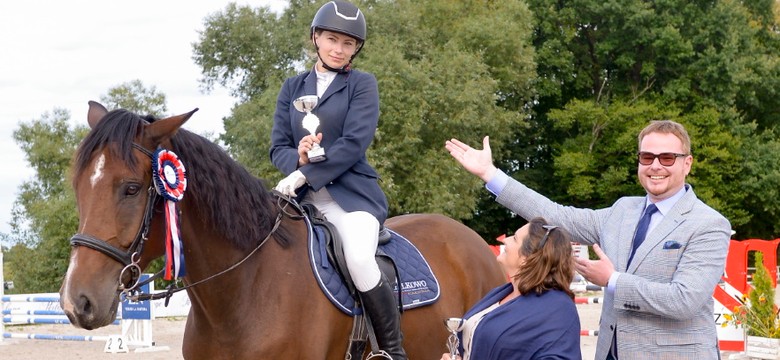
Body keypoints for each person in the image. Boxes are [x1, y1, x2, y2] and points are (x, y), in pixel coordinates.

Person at [446, 120, 731, 359]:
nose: (656, 166)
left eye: (667, 158)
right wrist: (490, 174)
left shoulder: (708, 224)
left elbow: (684, 300)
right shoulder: (621, 211)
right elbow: (554, 215)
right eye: (647, 157)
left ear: (687, 163)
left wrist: (613, 280)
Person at [270, 1, 406, 359]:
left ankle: (391, 350)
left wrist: (304, 173)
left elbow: (353, 143)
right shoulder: (291, 87)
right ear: (316, 38)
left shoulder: (362, 84)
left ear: (356, 48)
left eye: (348, 44)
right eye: (332, 39)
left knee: (360, 260)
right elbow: (277, 147)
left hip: (351, 200)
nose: (338, 49)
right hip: (300, 202)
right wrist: (296, 158)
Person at [439, 218, 581, 360]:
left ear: (529, 257)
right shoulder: (501, 293)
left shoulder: (558, 309)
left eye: (514, 238)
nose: (505, 240)